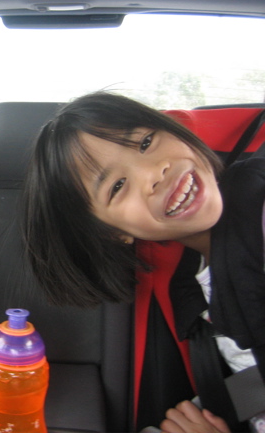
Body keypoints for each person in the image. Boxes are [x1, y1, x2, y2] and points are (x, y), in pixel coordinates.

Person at [22, 91, 265, 432]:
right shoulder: (195, 285)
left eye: (146, 142)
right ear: (112, 234)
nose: (155, 172)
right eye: (118, 186)